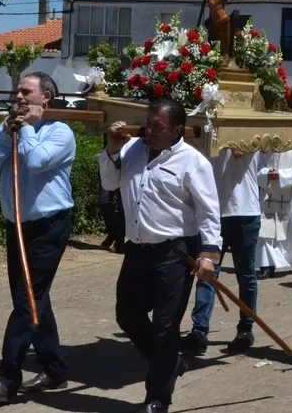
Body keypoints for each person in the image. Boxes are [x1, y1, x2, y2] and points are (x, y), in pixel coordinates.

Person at [99, 98, 222, 413]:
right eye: (148, 123)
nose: (149, 131)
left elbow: (209, 211)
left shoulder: (193, 162)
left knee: (166, 327)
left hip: (175, 254)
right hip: (137, 250)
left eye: (158, 127)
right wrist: (111, 148)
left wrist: (209, 254)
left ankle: (157, 399)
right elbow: (109, 182)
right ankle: (169, 364)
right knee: (127, 315)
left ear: (177, 130)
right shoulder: (132, 149)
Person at [0, 73, 76, 404]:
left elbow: (36, 163)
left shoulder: (59, 133)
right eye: (17, 91)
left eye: (26, 91)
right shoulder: (9, 129)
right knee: (35, 300)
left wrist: (28, 129)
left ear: (45, 98)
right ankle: (55, 368)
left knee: (26, 301)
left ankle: (7, 378)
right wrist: (6, 135)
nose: (18, 96)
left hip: (50, 227)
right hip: (17, 226)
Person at [185, 148, 262, 355]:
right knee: (207, 274)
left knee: (246, 275)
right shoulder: (206, 124)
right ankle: (199, 331)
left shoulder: (248, 126)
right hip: (212, 213)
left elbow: (240, 150)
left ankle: (245, 330)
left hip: (245, 211)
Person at [255, 148, 292, 279]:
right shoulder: (264, 146)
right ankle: (266, 265)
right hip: (269, 192)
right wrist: (266, 174)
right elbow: (256, 166)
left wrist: (281, 175)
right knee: (265, 230)